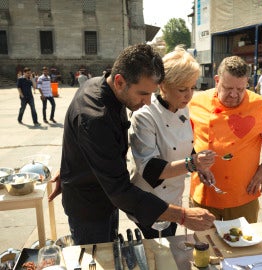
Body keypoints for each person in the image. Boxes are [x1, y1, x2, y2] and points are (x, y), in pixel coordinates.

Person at [51, 44, 215, 245]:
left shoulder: (101, 85)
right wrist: (182, 216)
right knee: (99, 257)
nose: (147, 102)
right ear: (120, 81)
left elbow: (77, 138)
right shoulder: (96, 117)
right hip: (90, 205)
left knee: (111, 249)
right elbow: (121, 189)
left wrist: (70, 167)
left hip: (106, 194)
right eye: (143, 94)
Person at [128, 47, 216, 239]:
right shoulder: (145, 115)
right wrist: (193, 163)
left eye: (193, 87)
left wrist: (200, 167)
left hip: (174, 198)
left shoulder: (183, 109)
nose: (189, 95)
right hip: (149, 201)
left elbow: (184, 144)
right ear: (163, 86)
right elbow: (150, 169)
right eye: (182, 89)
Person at [189, 55, 262, 223]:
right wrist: (194, 163)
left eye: (241, 89)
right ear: (217, 80)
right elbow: (185, 141)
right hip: (204, 193)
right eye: (228, 88)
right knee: (205, 245)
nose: (234, 95)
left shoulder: (260, 105)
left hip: (243, 194)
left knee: (244, 245)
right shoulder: (196, 103)